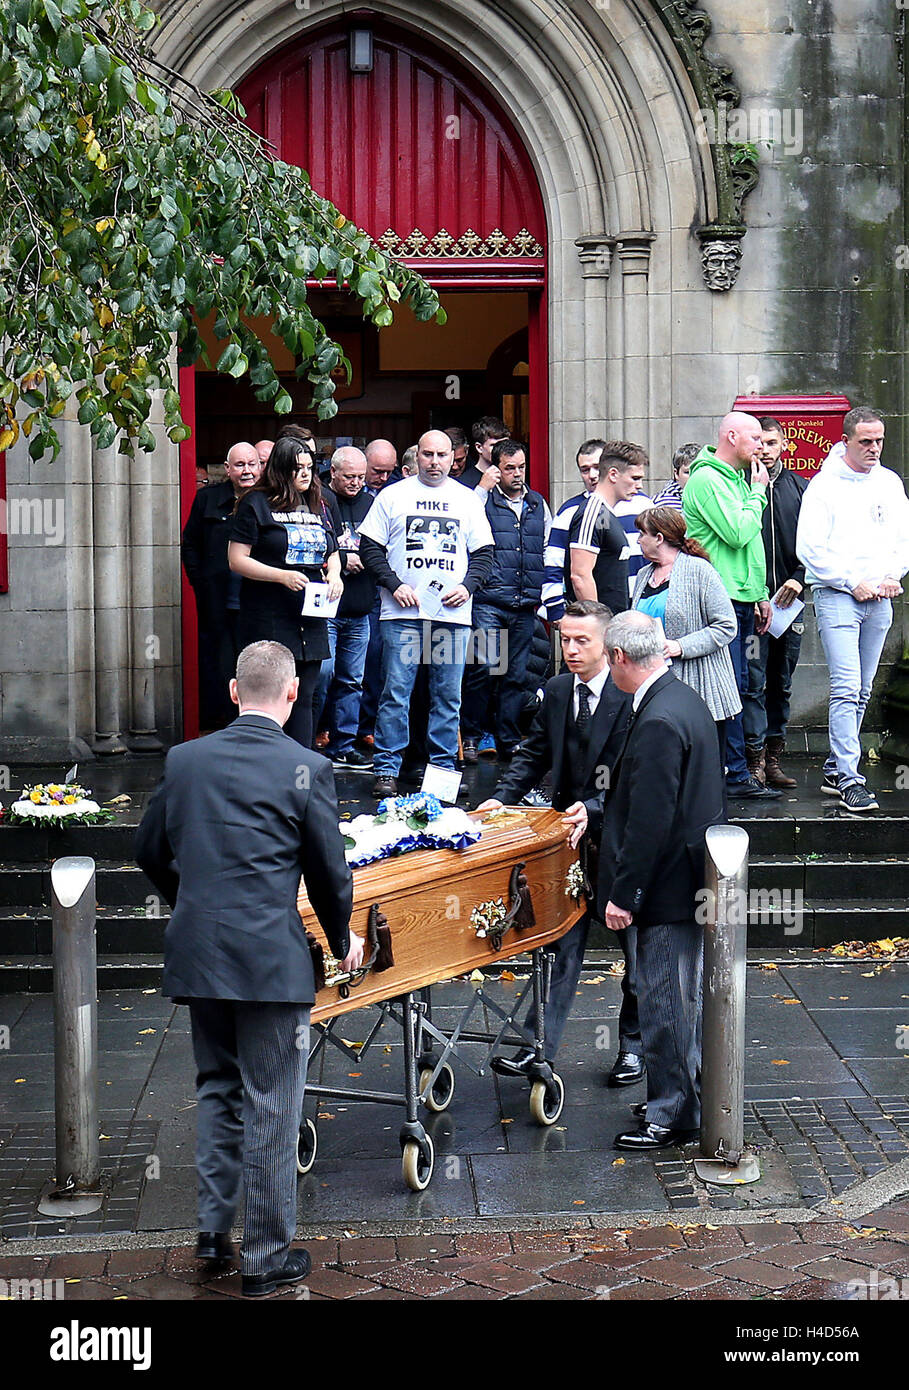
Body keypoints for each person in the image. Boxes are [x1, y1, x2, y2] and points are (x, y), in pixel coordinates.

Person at [135, 641, 363, 1297]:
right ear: (291, 695)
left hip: (199, 951)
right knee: (271, 1103)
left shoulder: (185, 760)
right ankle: (264, 1257)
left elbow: (148, 846)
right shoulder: (306, 766)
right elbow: (328, 870)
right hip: (268, 960)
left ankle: (212, 1234)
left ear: (234, 692)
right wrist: (343, 934)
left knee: (217, 1088)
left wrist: (192, 902)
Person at [477, 601, 642, 1083]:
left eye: (581, 640)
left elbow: (636, 773)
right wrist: (502, 798)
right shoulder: (554, 690)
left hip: (621, 840)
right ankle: (537, 1045)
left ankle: (633, 1048)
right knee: (558, 948)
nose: (569, 649)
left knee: (637, 954)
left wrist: (593, 807)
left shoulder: (631, 692)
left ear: (608, 645)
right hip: (567, 845)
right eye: (564, 639)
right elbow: (534, 753)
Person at [598, 611, 725, 1150]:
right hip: (689, 877)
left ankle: (672, 1114)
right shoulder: (683, 698)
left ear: (621, 658)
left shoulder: (655, 720)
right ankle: (678, 1096)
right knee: (679, 999)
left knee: (664, 1003)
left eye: (609, 658)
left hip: (667, 887)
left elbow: (649, 820)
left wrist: (626, 895)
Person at [359, 429, 494, 798]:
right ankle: (386, 769)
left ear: (454, 457)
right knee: (396, 694)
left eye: (442, 455)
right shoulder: (392, 496)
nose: (434, 462)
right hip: (402, 613)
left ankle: (442, 774)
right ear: (416, 456)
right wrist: (393, 583)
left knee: (448, 697)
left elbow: (484, 555)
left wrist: (467, 587)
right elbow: (369, 548)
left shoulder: (467, 500)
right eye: (428, 455)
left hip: (451, 616)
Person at [796, 407, 909, 812]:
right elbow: (809, 548)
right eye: (865, 441)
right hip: (838, 596)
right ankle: (849, 778)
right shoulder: (823, 486)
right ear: (846, 440)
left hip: (879, 597)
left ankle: (834, 767)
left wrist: (893, 574)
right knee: (846, 687)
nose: (874, 448)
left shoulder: (890, 483)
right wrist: (849, 581)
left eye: (879, 440)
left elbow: (902, 540)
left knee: (861, 689)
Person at [682, 412, 780, 801]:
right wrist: (759, 493)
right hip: (717, 598)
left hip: (740, 596)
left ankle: (734, 771)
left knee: (740, 685)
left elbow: (751, 550)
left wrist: (759, 594)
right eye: (755, 438)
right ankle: (731, 773)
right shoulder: (708, 478)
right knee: (727, 686)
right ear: (732, 436)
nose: (760, 446)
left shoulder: (737, 479)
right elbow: (739, 534)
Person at [229, 436, 343, 749]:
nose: (306, 474)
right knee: (269, 697)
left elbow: (331, 549)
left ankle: (300, 765)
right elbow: (237, 559)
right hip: (269, 614)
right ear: (281, 470)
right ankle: (266, 761)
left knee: (304, 695)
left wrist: (335, 575)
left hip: (310, 614)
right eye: (298, 468)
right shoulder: (256, 503)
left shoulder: (317, 502)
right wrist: (280, 576)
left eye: (310, 467)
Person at [460, 439, 551, 762]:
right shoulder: (482, 501)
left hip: (525, 602)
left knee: (516, 674)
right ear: (496, 469)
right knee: (483, 668)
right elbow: (462, 522)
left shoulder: (538, 504)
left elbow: (546, 549)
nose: (517, 474)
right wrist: (482, 489)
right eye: (509, 468)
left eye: (521, 467)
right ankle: (470, 736)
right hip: (489, 599)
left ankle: (508, 740)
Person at [632, 507, 740, 763]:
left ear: (659, 538)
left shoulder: (699, 571)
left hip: (700, 686)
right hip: (654, 684)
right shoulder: (642, 575)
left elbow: (726, 626)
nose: (638, 540)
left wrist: (680, 646)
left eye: (642, 534)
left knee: (702, 772)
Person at [742, 417, 809, 788]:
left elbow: (816, 544)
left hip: (790, 605)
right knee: (753, 683)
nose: (764, 450)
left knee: (780, 682)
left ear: (783, 445)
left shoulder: (801, 488)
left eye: (771, 443)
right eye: (759, 443)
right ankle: (752, 760)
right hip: (752, 604)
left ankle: (772, 759)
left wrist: (799, 579)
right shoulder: (741, 487)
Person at [182, 441, 264, 730]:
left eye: (252, 464)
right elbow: (190, 544)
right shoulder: (207, 499)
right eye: (239, 465)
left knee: (257, 664)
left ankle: (254, 723)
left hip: (258, 601)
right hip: (217, 600)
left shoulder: (270, 499)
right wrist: (200, 581)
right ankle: (223, 724)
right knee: (220, 664)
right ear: (227, 469)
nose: (247, 471)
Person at [317, 446, 376, 770]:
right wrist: (340, 556)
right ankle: (312, 735)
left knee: (353, 680)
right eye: (349, 477)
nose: (355, 483)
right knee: (323, 675)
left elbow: (384, 545)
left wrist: (364, 558)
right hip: (327, 607)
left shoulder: (372, 504)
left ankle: (344, 744)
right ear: (334, 473)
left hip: (360, 607)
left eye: (359, 477)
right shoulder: (323, 502)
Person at [570, 440, 647, 614]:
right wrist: (597, 625)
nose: (640, 485)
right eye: (635, 478)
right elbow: (580, 576)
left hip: (616, 621)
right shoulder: (592, 511)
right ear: (613, 474)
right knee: (499, 639)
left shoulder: (603, 513)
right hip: (601, 626)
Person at [541, 438, 605, 623]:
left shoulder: (637, 504)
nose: (592, 475)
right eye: (585, 470)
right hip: (584, 613)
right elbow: (554, 562)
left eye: (597, 467)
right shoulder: (569, 511)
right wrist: (555, 611)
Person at [458, 415, 509, 489]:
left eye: (505, 444)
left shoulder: (511, 476)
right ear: (479, 447)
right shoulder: (463, 484)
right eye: (494, 445)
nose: (501, 449)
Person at [653, 443, 699, 510]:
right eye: (687, 472)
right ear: (676, 474)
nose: (693, 477)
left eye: (697, 471)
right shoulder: (660, 504)